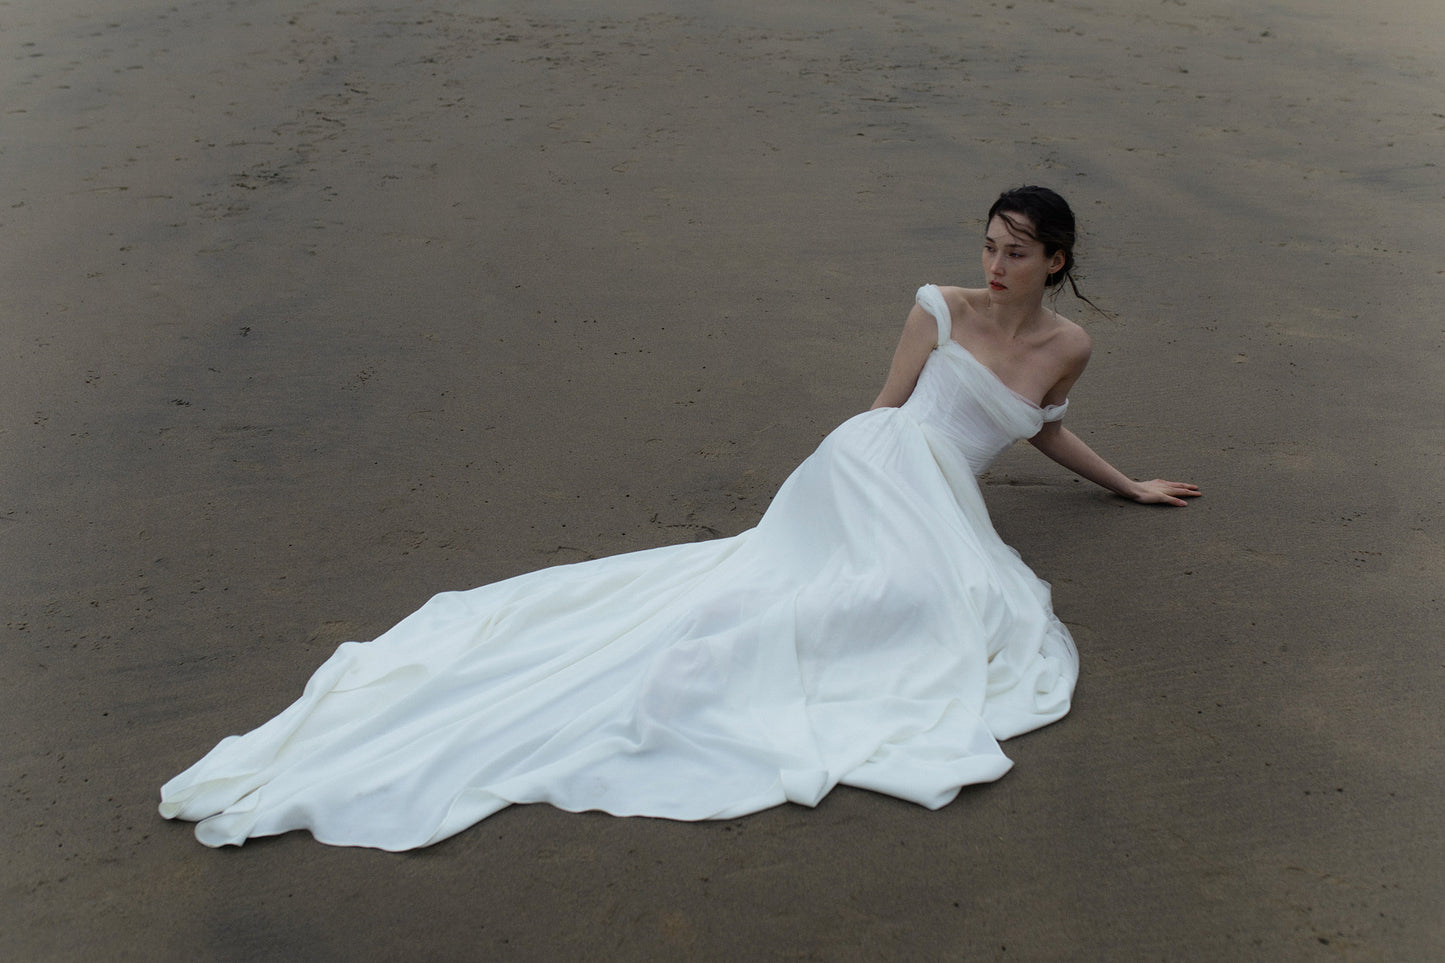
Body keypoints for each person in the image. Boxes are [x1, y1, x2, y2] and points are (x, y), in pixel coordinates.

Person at [160, 186, 1198, 851]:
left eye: (1015, 253)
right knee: (885, 599)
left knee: (936, 607)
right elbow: (881, 411)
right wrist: (839, 485)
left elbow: (1040, 432)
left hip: (943, 495)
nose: (993, 265)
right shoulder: (938, 305)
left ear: (1054, 261)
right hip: (873, 464)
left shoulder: (1065, 348)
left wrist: (1127, 484)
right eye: (987, 245)